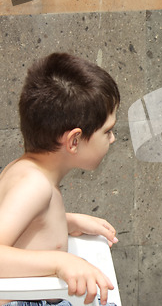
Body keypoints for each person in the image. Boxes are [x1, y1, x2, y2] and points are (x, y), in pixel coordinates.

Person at [0, 53, 121, 306]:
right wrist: (60, 262)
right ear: (74, 141)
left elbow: (24, 227)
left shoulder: (26, 171)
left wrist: (66, 221)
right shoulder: (34, 185)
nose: (112, 139)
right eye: (107, 131)